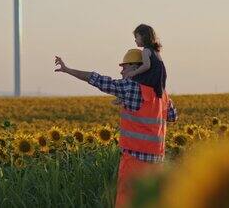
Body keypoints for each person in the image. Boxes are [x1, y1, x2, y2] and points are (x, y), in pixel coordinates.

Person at [54, 49, 178, 208]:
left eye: (124, 67)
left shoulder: (131, 88)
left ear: (135, 67)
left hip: (134, 160)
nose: (121, 71)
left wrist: (68, 70)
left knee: (126, 201)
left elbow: (98, 80)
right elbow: (173, 116)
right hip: (157, 163)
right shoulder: (161, 93)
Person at [123, 24, 167, 98]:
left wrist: (133, 73)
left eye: (136, 37)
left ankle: (122, 97)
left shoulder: (146, 51)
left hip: (151, 79)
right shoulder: (155, 51)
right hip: (159, 80)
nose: (135, 40)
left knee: (131, 79)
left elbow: (146, 66)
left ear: (144, 36)